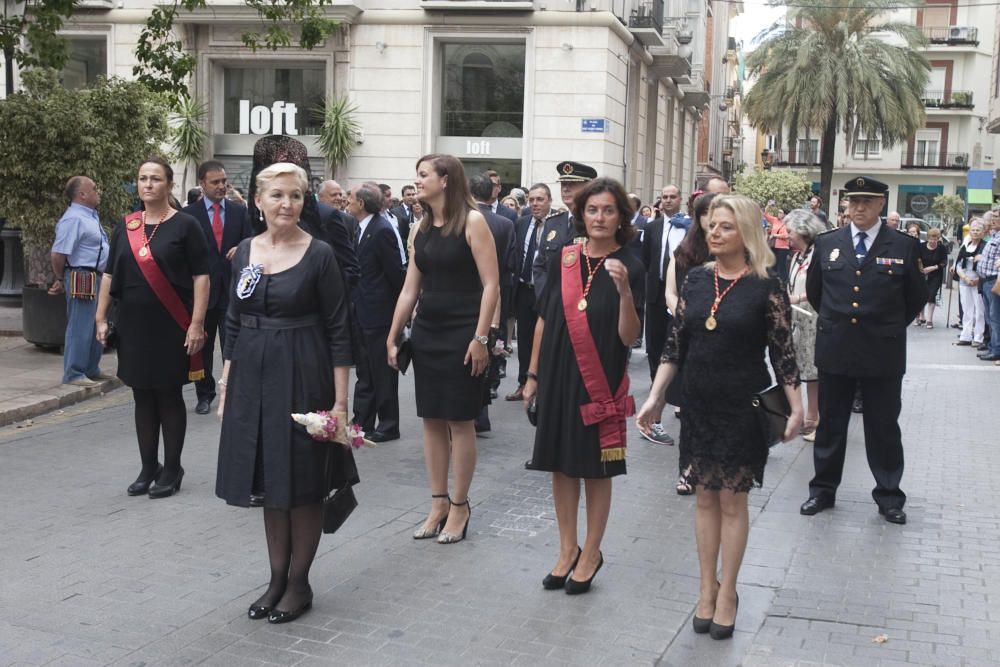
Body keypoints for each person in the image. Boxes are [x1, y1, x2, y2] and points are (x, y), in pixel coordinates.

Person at [637, 194, 802, 639]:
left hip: (741, 405)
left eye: (725, 226)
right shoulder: (694, 280)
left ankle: (728, 591)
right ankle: (705, 589)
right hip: (698, 403)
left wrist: (798, 407)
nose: (714, 232)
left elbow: (783, 352)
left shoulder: (767, 284)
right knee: (704, 497)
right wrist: (655, 398)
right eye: (711, 225)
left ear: (745, 231)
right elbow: (675, 346)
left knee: (733, 499)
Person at [215, 162, 356, 625]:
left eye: (295, 196)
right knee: (271, 480)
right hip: (252, 376)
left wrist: (340, 403)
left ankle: (299, 582)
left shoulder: (319, 255)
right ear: (258, 201)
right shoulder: (243, 254)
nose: (286, 204)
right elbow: (232, 322)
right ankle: (276, 578)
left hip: (303, 372)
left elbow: (339, 330)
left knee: (303, 480)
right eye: (277, 195)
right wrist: (226, 383)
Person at [523, 177, 643, 595]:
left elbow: (629, 336)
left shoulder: (631, 263)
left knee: (595, 467)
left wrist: (626, 290)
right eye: (592, 210)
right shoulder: (564, 257)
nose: (599, 217)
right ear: (581, 214)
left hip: (599, 379)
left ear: (620, 217)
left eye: (608, 210)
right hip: (557, 373)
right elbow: (544, 317)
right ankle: (566, 549)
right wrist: (533, 375)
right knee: (560, 464)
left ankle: (592, 552)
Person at [387, 154, 499, 544]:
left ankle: (460, 505)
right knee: (431, 419)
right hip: (428, 332)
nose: (416, 181)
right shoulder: (420, 228)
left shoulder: (473, 221)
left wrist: (482, 337)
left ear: (445, 180)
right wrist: (393, 333)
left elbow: (491, 285)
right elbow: (409, 288)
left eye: (422, 175)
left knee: (459, 420)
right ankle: (437, 503)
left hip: (464, 332)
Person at [800, 176, 926, 525]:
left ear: (881, 205)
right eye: (853, 201)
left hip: (882, 351)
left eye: (867, 202)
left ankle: (889, 496)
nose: (858, 208)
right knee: (831, 426)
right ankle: (822, 490)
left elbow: (916, 296)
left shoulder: (902, 245)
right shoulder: (828, 243)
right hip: (836, 347)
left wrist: (886, 325)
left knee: (883, 426)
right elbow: (816, 292)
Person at [95, 156, 210, 498]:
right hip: (134, 326)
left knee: (169, 396)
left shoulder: (186, 226)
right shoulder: (126, 226)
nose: (148, 184)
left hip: (173, 325)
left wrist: (197, 324)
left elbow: (201, 277)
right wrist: (101, 318)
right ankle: (149, 466)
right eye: (143, 178)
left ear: (169, 185)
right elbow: (109, 275)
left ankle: (172, 468)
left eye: (155, 179)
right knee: (142, 395)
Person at [182, 160, 253, 415]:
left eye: (224, 181)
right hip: (203, 294)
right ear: (203, 184)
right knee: (203, 345)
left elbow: (252, 242)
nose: (222, 186)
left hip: (232, 292)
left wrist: (243, 247)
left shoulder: (238, 211)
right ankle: (204, 394)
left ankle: (231, 392)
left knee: (232, 344)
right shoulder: (189, 216)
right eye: (216, 182)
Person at [664, 193, 716, 495]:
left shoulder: (737, 249)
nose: (711, 219)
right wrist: (683, 313)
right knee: (690, 410)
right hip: (687, 334)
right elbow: (670, 291)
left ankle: (711, 465)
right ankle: (688, 468)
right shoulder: (684, 250)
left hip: (723, 340)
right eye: (705, 213)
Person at [348, 185, 406, 442]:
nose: (346, 202)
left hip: (379, 314)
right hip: (361, 311)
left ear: (361, 203)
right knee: (365, 370)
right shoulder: (359, 229)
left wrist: (399, 315)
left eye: (350, 198)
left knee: (382, 372)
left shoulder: (382, 230)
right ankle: (362, 420)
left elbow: (395, 274)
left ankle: (389, 424)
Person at [640, 184, 690, 445]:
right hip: (655, 292)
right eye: (664, 197)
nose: (668, 201)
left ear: (680, 199)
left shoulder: (689, 228)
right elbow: (646, 259)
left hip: (681, 293)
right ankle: (655, 387)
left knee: (676, 347)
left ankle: (674, 396)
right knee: (655, 346)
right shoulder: (651, 227)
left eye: (673, 197)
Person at [50, 175, 111, 386]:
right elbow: (58, 254)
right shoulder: (73, 218)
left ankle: (90, 368)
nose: (98, 191)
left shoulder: (89, 215)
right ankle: (74, 373)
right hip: (81, 275)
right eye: (94, 188)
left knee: (96, 322)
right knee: (81, 324)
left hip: (96, 275)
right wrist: (60, 278)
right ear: (82, 194)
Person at [469, 172, 515, 417]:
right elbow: (511, 262)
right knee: (488, 349)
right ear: (493, 192)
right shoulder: (505, 224)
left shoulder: (464, 220)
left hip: (468, 297)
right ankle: (483, 410)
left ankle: (476, 411)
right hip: (497, 295)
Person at [507, 183, 558, 402]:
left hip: (549, 293)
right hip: (524, 290)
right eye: (532, 200)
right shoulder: (521, 223)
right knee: (526, 340)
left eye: (540, 199)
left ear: (549, 200)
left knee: (548, 339)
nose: (535, 204)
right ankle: (523, 383)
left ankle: (546, 385)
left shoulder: (559, 225)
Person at [784, 209, 827, 441]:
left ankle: (814, 419)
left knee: (812, 369)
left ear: (803, 231)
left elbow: (819, 287)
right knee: (802, 368)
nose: (787, 235)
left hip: (812, 317)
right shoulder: (797, 256)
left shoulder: (817, 254)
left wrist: (797, 299)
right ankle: (807, 418)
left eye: (790, 231)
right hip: (797, 319)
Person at [532, 161, 596, 298]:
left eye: (572, 184)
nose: (565, 189)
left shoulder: (596, 223)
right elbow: (540, 266)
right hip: (552, 304)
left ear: (588, 188)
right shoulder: (552, 223)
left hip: (584, 304)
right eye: (563, 184)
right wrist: (546, 297)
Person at [955, 220, 987, 347]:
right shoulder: (966, 245)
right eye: (973, 230)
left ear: (983, 232)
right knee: (966, 310)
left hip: (979, 281)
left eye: (978, 230)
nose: (975, 232)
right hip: (965, 281)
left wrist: (977, 280)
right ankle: (965, 335)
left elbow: (986, 265)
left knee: (979, 311)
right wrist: (965, 278)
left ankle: (978, 337)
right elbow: (958, 264)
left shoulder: (985, 246)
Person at [977, 218, 1000, 363]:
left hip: (994, 281)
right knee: (989, 317)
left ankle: (997, 350)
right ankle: (992, 346)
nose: (993, 220)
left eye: (996, 218)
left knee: (995, 317)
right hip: (985, 281)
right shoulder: (994, 235)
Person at [916, 227, 948, 328]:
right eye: (931, 238)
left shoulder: (941, 248)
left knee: (931, 295)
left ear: (938, 239)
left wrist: (934, 267)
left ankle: (929, 319)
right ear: (927, 238)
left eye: (935, 239)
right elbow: (917, 259)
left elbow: (944, 262)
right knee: (921, 295)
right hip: (921, 274)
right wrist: (922, 269)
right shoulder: (921, 246)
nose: (933, 241)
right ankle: (922, 316)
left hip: (936, 274)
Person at [766, 207, 790, 283]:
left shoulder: (787, 223)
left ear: (785, 215)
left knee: (782, 267)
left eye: (780, 212)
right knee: (773, 266)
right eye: (778, 212)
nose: (778, 214)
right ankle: (774, 283)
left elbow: (786, 235)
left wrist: (775, 235)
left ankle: (784, 283)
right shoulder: (775, 220)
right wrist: (768, 206)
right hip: (774, 246)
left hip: (783, 247)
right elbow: (765, 215)